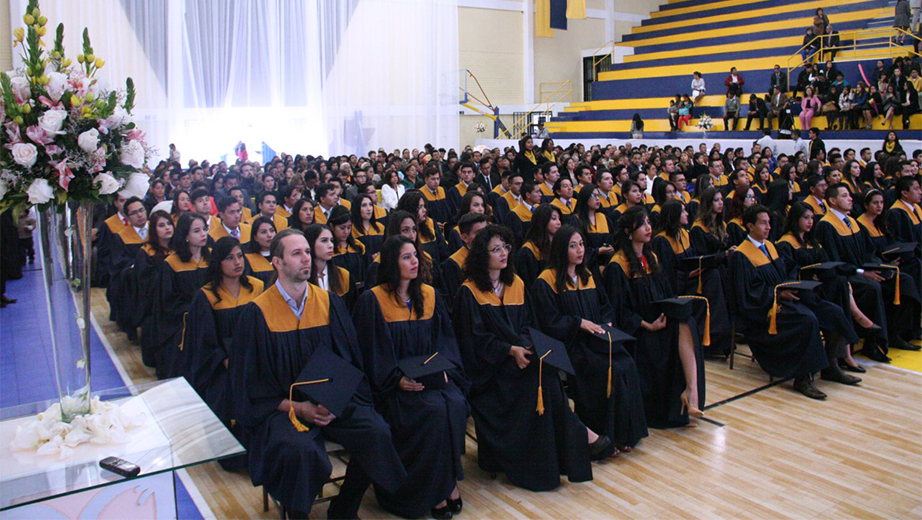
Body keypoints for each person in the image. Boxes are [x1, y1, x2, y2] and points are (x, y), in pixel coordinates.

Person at [233, 229, 406, 518]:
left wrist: (334, 399)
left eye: (307, 252)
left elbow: (349, 361)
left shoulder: (328, 303)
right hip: (283, 409)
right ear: (277, 262)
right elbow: (250, 385)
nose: (306, 259)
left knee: (376, 432)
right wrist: (299, 407)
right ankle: (296, 514)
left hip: (331, 402)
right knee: (300, 451)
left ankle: (344, 507)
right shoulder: (257, 314)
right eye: (296, 253)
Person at [453, 224, 606, 491]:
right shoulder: (469, 292)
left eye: (506, 248)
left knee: (546, 375)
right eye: (496, 249)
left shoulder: (517, 284)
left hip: (519, 360)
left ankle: (559, 452)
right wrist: (509, 351)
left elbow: (528, 326)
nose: (503, 254)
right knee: (542, 380)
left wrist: (523, 348)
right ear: (482, 255)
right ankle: (577, 438)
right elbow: (474, 341)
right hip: (492, 373)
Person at [352, 235, 469, 519]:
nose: (414, 261)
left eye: (415, 255)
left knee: (455, 403)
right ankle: (431, 491)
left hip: (429, 378)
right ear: (393, 262)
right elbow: (370, 353)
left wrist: (444, 369)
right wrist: (396, 381)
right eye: (406, 257)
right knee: (433, 410)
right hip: (395, 387)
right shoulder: (374, 299)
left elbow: (445, 341)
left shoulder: (429, 295)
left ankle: (447, 480)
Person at [531, 225, 648, 454]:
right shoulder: (546, 280)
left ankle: (626, 433)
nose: (579, 250)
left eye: (582, 244)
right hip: (572, 345)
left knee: (626, 364)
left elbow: (605, 306)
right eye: (573, 246)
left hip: (598, 340)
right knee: (606, 369)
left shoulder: (588, 275)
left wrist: (608, 323)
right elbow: (548, 321)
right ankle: (604, 433)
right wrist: (578, 323)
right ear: (561, 249)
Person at [604, 207, 708, 428]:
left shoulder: (651, 257)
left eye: (649, 222)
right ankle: (690, 392)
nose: (649, 228)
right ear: (629, 231)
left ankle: (691, 390)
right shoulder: (618, 265)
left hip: (661, 319)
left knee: (685, 320)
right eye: (642, 224)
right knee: (683, 325)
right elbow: (620, 311)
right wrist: (648, 325)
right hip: (641, 331)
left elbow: (667, 293)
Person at [727, 205, 835, 399]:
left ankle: (833, 364)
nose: (768, 227)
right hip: (763, 312)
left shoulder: (770, 246)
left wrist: (795, 284)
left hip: (782, 300)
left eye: (769, 222)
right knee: (807, 319)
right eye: (763, 223)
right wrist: (778, 294)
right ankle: (802, 378)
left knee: (831, 310)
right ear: (750, 226)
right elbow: (747, 295)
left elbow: (788, 269)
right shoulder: (741, 256)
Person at [182, 237, 263, 470]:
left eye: (240, 256)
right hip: (222, 367)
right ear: (218, 262)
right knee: (225, 394)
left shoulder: (256, 287)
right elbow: (205, 342)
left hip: (256, 362)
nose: (237, 262)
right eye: (230, 258)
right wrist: (230, 363)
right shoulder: (206, 296)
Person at [815, 184, 920, 359]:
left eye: (849, 195)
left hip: (864, 270)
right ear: (832, 201)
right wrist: (862, 272)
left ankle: (897, 332)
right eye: (844, 196)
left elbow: (868, 253)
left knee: (904, 280)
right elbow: (834, 260)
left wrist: (882, 266)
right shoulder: (826, 225)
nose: (850, 199)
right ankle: (873, 343)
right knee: (872, 288)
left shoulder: (852, 222)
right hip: (847, 275)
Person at [653, 200, 734, 357]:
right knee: (712, 280)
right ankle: (711, 339)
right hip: (677, 286)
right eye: (683, 211)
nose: (687, 214)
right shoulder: (661, 240)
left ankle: (716, 336)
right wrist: (687, 275)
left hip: (692, 279)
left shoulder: (684, 233)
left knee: (715, 274)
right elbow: (665, 274)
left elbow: (693, 258)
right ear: (674, 216)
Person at [154, 212, 210, 379]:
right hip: (184, 320)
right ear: (185, 235)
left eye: (204, 229)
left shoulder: (212, 257)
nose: (203, 234)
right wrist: (195, 310)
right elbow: (168, 301)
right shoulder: (171, 264)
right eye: (196, 231)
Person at [305, 224, 358, 310]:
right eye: (324, 240)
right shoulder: (302, 279)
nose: (331, 245)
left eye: (332, 240)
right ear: (310, 244)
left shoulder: (343, 276)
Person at [441, 213, 489, 302]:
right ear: (465, 238)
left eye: (487, 231)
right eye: (479, 233)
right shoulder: (454, 264)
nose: (485, 236)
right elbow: (456, 300)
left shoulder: (495, 255)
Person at [514, 204, 562, 289]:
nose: (559, 222)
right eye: (554, 219)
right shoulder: (529, 251)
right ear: (542, 221)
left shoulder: (560, 245)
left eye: (559, 219)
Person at [328, 205, 366, 289]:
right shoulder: (328, 249)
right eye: (342, 228)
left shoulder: (358, 246)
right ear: (331, 226)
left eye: (349, 227)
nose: (346, 232)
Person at [505, 180, 543, 249]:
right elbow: (517, 240)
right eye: (537, 192)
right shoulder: (515, 214)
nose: (540, 194)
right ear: (528, 195)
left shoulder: (540, 209)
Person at [351, 193, 386, 260]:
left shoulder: (380, 227)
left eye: (370, 205)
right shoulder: (352, 229)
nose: (369, 209)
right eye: (364, 205)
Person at [243, 216, 277, 285]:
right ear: (255, 237)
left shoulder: (282, 255)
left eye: (272, 231)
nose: (269, 235)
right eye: (264, 232)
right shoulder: (248, 258)